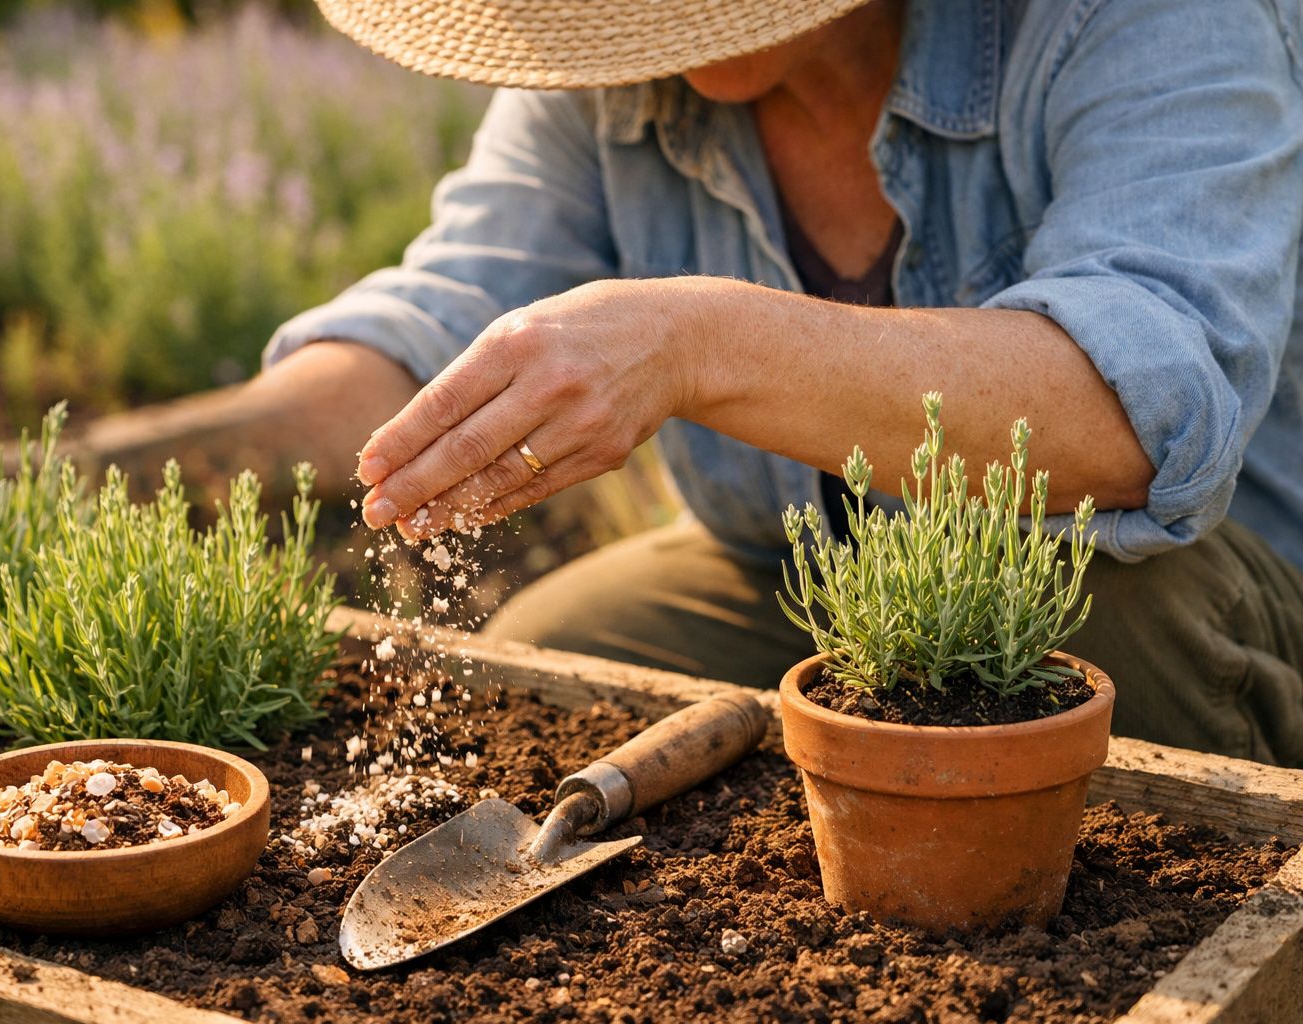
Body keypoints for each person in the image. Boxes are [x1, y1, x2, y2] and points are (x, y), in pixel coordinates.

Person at [246, 0, 1303, 766]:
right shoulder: (613, 63)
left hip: (1189, 595)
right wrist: (137, 462)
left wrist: (697, 342)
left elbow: (1134, 418)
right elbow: (444, 322)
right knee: (550, 663)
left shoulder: (1150, 17)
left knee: (1065, 622)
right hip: (820, 574)